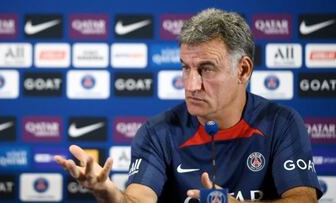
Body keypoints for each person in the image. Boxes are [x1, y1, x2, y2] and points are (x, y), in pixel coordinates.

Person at [55, 8, 322, 203]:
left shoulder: (281, 122)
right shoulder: (157, 131)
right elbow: (137, 200)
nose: (192, 85)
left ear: (242, 70)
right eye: (186, 68)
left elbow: (303, 199)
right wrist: (107, 193)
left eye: (206, 69)